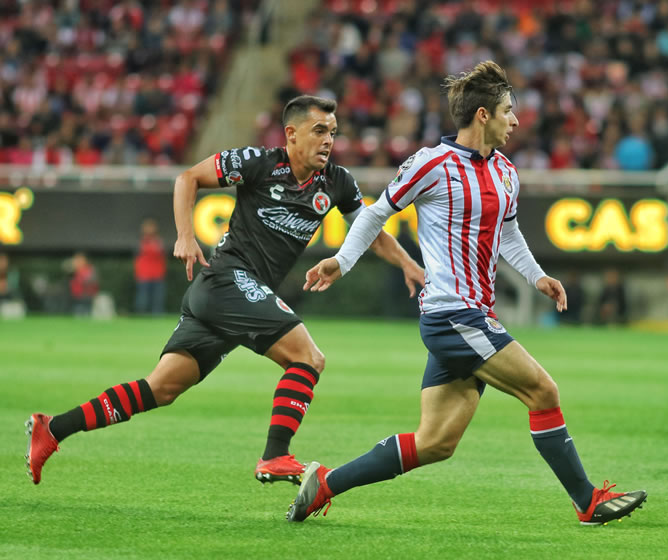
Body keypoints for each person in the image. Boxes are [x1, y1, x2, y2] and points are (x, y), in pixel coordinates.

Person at [295, 61, 646, 526]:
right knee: (543, 391)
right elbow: (376, 213)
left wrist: (536, 275)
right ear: (483, 115)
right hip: (453, 314)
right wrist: (342, 260)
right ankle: (587, 501)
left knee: (435, 443)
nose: (515, 121)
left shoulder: (505, 171)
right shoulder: (431, 164)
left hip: (470, 317)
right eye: (508, 111)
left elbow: (510, 232)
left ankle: (324, 483)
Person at [25, 95, 425, 486]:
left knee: (161, 388)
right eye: (319, 130)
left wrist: (408, 263)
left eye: (333, 133)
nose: (328, 141)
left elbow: (369, 229)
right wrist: (185, 236)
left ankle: (53, 428)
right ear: (291, 134)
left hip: (230, 296)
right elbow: (188, 178)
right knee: (308, 358)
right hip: (226, 280)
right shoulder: (259, 163)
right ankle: (274, 456)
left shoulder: (336, 182)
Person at [134, 218, 167, 315]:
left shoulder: (159, 241)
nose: (150, 229)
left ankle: (157, 319)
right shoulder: (140, 241)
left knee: (158, 300)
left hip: (158, 275)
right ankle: (140, 317)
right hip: (144, 276)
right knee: (142, 300)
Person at [67, 252, 99, 316]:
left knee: (86, 314)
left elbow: (92, 281)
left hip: (87, 296)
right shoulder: (75, 271)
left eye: (79, 260)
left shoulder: (89, 269)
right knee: (77, 314)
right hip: (76, 296)